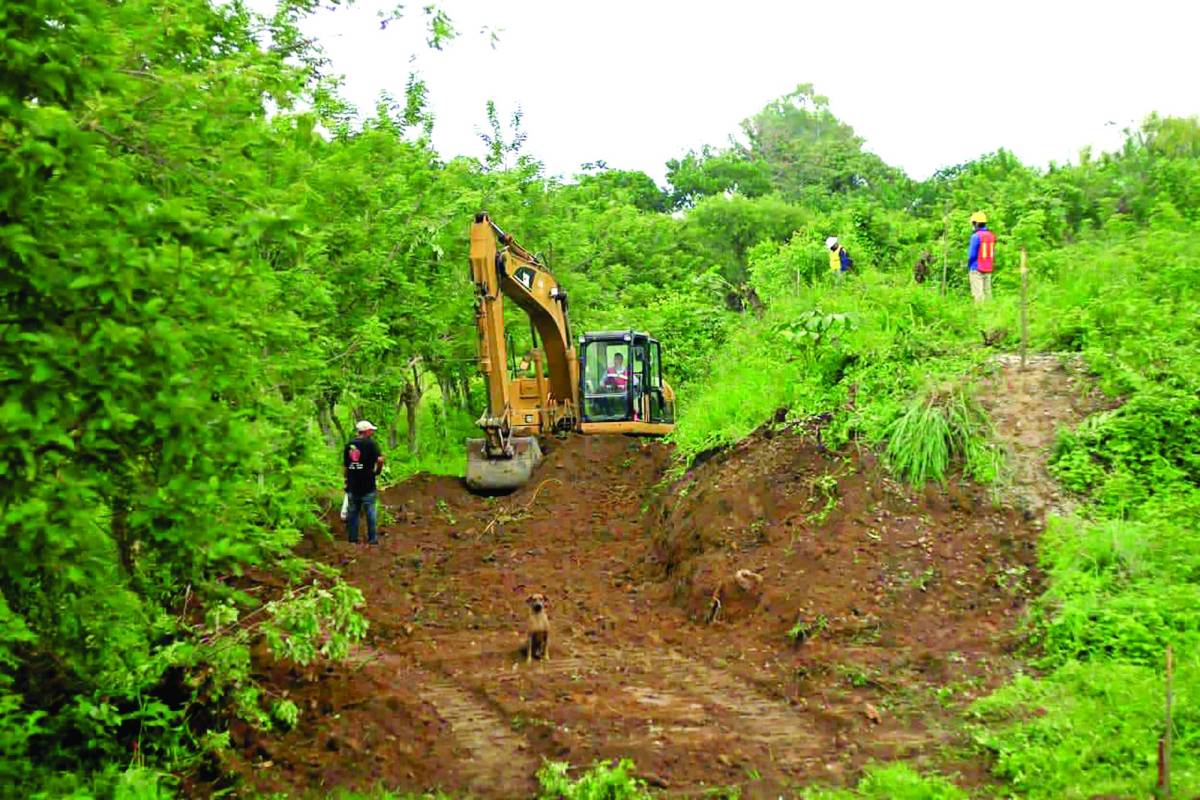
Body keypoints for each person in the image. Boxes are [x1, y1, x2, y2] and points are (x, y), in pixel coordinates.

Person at [343, 420, 384, 545]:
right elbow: (380, 460)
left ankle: (352, 540)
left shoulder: (349, 444)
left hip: (352, 484)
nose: (372, 432)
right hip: (368, 484)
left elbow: (345, 466)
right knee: (370, 512)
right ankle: (372, 539)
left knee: (353, 513)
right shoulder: (371, 444)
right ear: (366, 431)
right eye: (371, 430)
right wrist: (377, 471)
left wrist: (346, 480)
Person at [967, 211, 996, 302]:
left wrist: (969, 265)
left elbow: (972, 255)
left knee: (978, 296)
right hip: (988, 268)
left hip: (976, 268)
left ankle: (979, 314)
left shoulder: (975, 236)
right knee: (987, 294)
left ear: (977, 223)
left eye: (973, 223)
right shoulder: (991, 235)